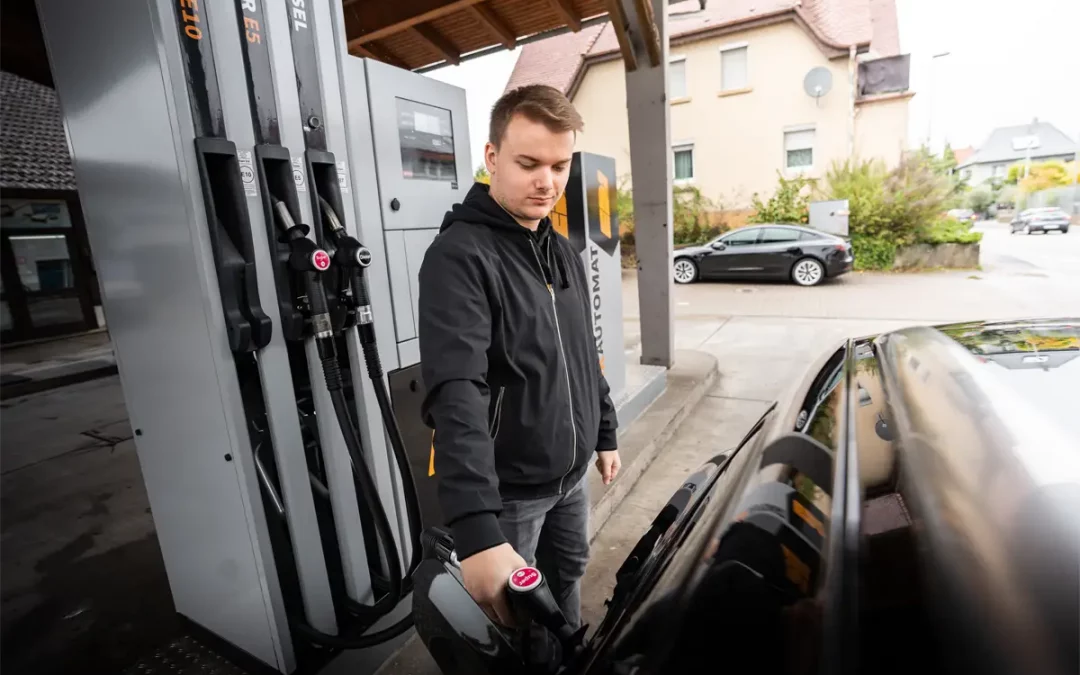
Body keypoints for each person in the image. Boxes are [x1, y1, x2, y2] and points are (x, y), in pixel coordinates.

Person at [418, 84, 620, 630]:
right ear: (491, 158)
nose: (547, 182)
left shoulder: (562, 249)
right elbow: (456, 392)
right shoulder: (459, 257)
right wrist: (477, 527)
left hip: (571, 476)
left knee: (569, 580)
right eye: (529, 163)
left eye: (560, 166)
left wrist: (603, 432)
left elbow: (584, 353)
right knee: (516, 619)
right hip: (510, 496)